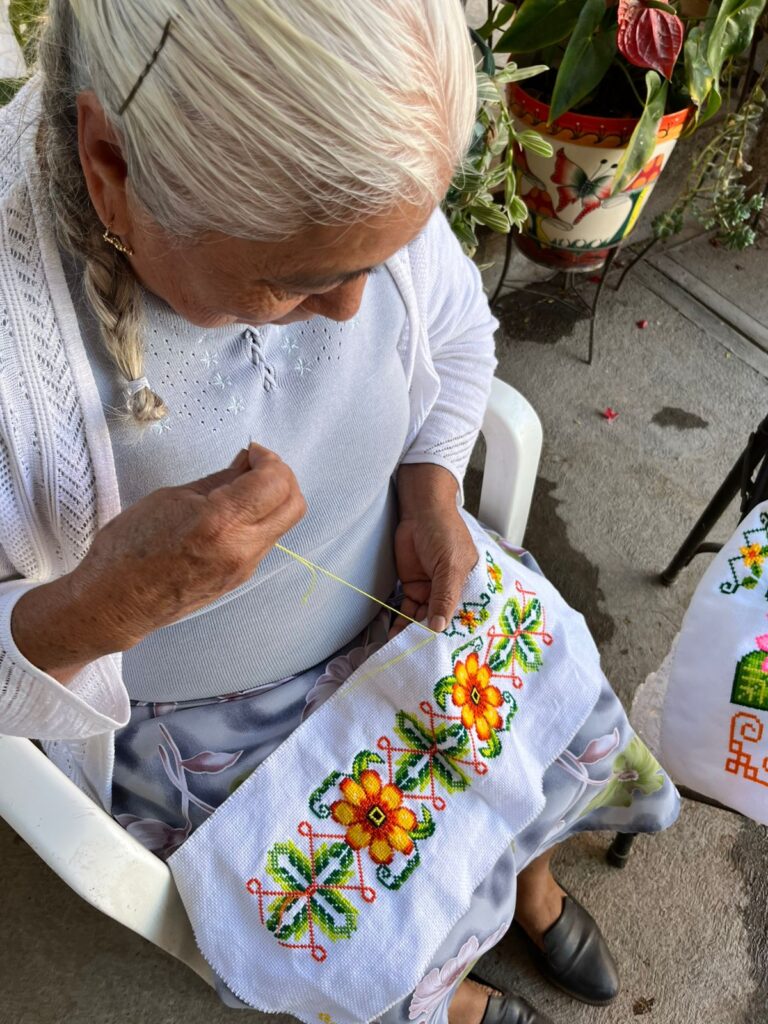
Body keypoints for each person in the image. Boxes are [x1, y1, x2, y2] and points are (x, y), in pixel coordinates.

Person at [0, 2, 678, 1022]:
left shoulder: (349, 162)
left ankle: (525, 885)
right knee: (355, 925)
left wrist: (433, 489)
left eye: (375, 260)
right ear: (111, 165)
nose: (358, 308)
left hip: (410, 597)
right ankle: (439, 991)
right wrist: (104, 604)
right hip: (210, 738)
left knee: (542, 719)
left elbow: (451, 339)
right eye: (297, 281)